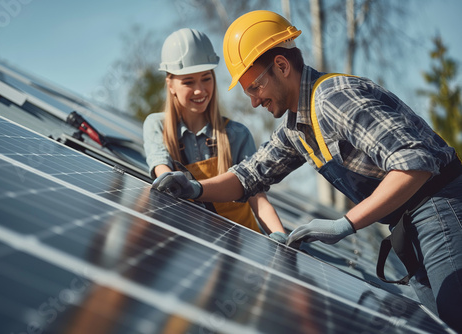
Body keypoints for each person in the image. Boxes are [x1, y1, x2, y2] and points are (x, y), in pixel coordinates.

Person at [151, 11, 462, 332]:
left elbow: (416, 162)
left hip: (440, 206)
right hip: (408, 225)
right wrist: (195, 188)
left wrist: (346, 223)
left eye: (254, 87)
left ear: (282, 67)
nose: (254, 101)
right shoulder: (299, 127)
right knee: (439, 321)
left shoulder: (332, 98)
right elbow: (248, 177)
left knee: (454, 314)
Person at [144, 28, 286, 240]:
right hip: (196, 246)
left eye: (206, 78)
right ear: (171, 85)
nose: (200, 90)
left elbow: (258, 199)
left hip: (243, 245)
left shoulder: (237, 134)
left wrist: (279, 236)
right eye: (188, 82)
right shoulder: (157, 126)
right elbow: (162, 172)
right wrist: (168, 180)